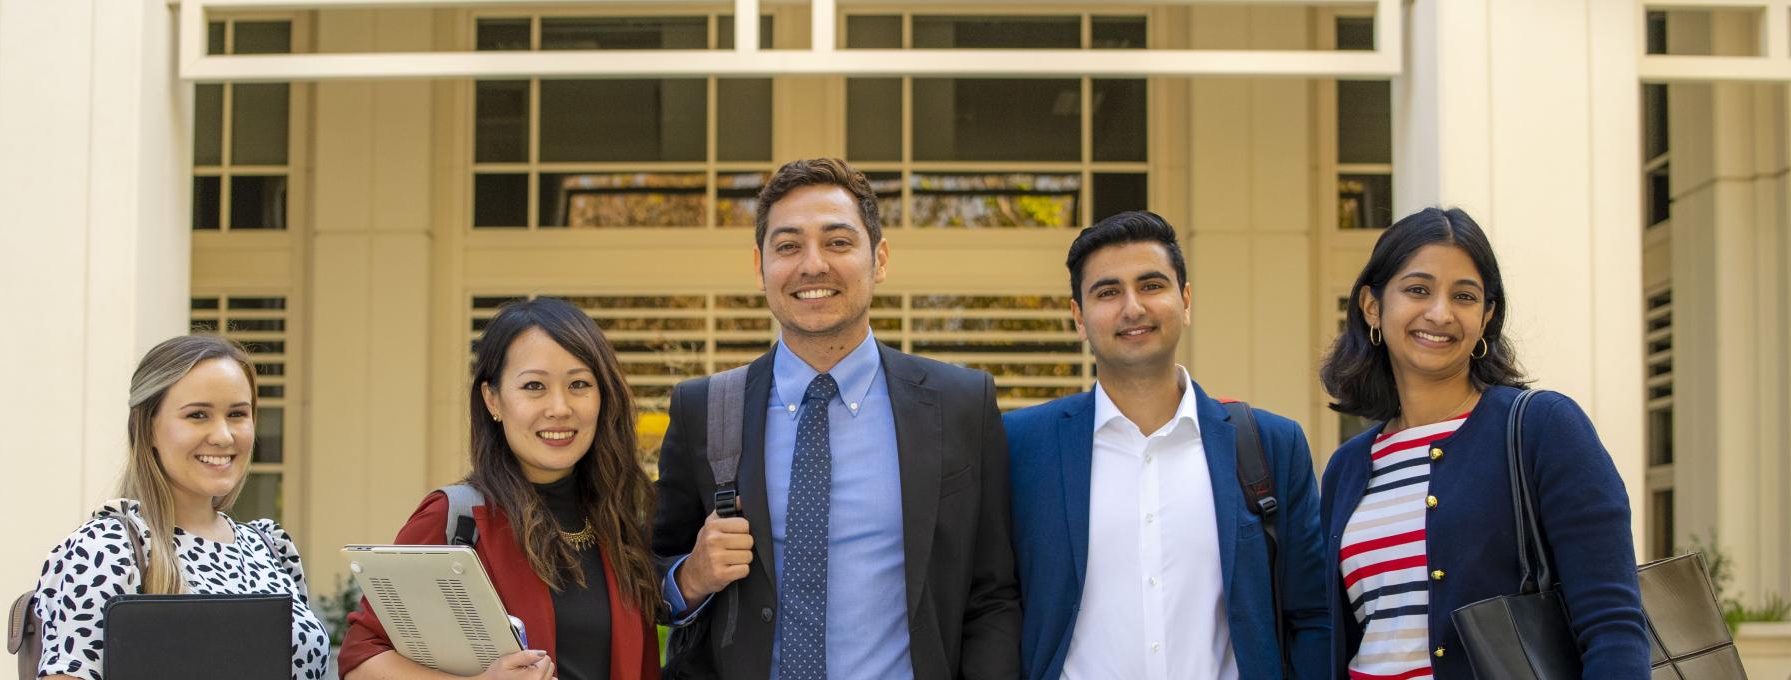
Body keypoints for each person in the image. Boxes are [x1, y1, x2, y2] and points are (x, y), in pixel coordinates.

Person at [652, 157, 1020, 680]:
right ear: (760, 266)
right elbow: (647, 572)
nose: (813, 265)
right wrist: (689, 578)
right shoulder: (704, 408)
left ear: (880, 259)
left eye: (838, 242)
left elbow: (992, 594)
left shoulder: (961, 403)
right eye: (788, 246)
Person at [1317, 207, 1647, 679]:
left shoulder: (1543, 428)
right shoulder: (1347, 467)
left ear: (1486, 315)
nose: (1440, 313)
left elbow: (1613, 627)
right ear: (1373, 305)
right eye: (1418, 290)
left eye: (1464, 296)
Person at [1002, 211, 1331, 680]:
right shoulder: (1020, 446)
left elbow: (1313, 615)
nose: (1132, 307)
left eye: (1151, 285)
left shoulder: (1270, 445)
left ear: (1186, 300)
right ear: (1078, 317)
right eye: (1108, 292)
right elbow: (991, 605)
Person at [339, 298, 659, 680]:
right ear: (493, 399)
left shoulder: (619, 522)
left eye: (579, 384)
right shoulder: (456, 518)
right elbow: (360, 661)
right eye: (534, 386)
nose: (560, 407)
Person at [32, 335, 329, 680]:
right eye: (198, 415)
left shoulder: (271, 548)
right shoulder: (107, 550)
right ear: (149, 429)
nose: (223, 436)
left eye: (237, 414)